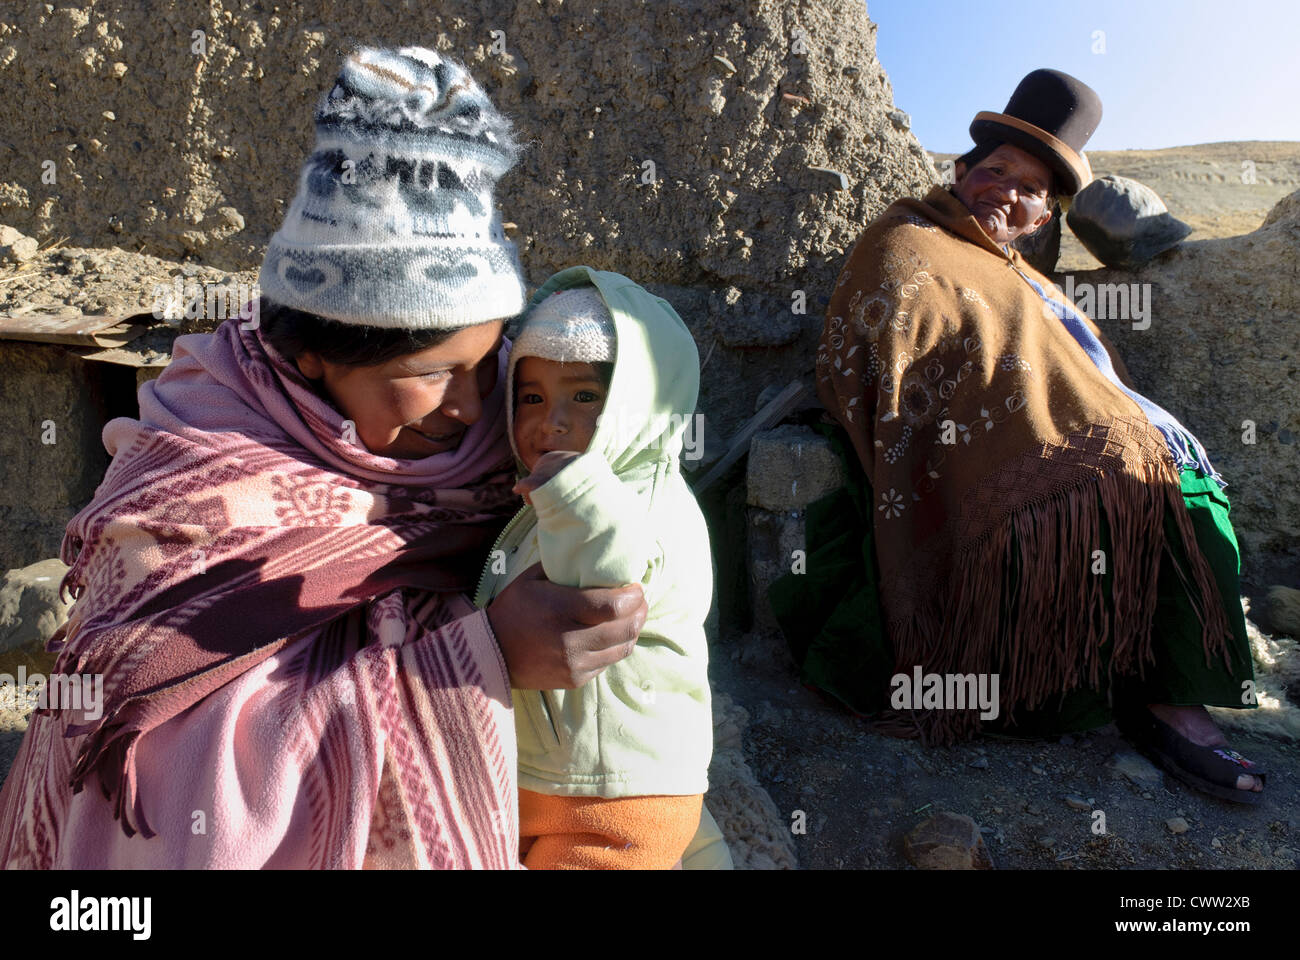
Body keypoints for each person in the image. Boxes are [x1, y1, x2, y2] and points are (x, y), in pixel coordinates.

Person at [0, 47, 649, 868]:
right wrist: (478, 659)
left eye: (487, 363)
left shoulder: (505, 438)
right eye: (429, 376)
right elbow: (161, 769)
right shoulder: (194, 486)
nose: (472, 406)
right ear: (312, 357)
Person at [777, 69, 1265, 802]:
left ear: (1043, 218)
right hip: (1004, 464)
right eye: (996, 170)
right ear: (960, 172)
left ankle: (1157, 691)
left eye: (1031, 188)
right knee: (1126, 495)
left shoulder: (1019, 273)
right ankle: (1155, 702)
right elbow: (891, 342)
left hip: (1100, 446)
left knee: (1185, 497)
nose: (1007, 190)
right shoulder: (908, 239)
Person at [473, 268, 725, 869]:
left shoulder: (634, 501)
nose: (551, 421)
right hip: (560, 778)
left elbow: (604, 571)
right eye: (531, 397)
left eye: (585, 397)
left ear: (640, 404)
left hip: (612, 797)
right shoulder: (564, 494)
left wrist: (573, 489)